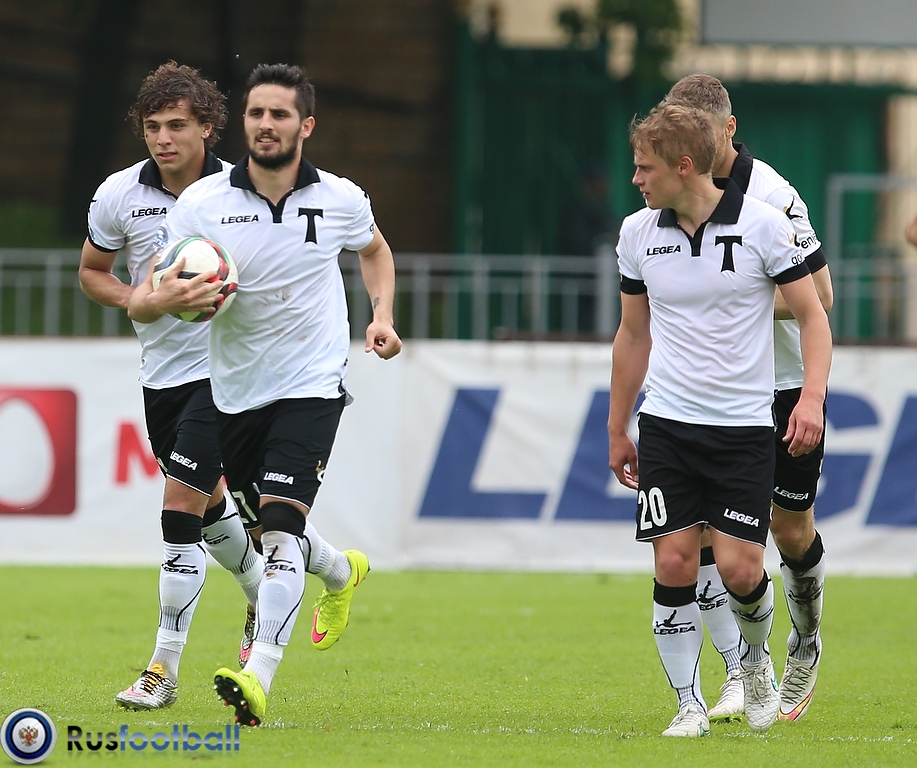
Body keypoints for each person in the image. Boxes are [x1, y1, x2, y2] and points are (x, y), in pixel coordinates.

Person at [145, 63, 402, 727]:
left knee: (280, 529)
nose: (266, 124)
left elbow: (375, 250)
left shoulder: (341, 196)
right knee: (271, 525)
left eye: (279, 114)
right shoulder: (202, 204)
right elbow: (152, 291)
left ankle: (257, 675)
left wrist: (381, 315)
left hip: (312, 384)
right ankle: (340, 571)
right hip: (233, 391)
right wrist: (167, 297)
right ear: (245, 121)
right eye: (256, 113)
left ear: (305, 125)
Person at [608, 104, 832, 736]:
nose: (636, 179)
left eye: (645, 168)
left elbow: (814, 315)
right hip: (667, 425)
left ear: (684, 166)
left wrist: (811, 398)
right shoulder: (636, 234)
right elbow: (632, 334)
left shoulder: (765, 223)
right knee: (675, 563)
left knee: (741, 571)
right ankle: (689, 705)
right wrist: (618, 426)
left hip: (743, 428)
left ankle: (755, 660)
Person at [78, 62, 263, 710]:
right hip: (162, 378)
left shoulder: (240, 197)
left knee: (179, 506)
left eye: (177, 125)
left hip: (226, 375)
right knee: (208, 507)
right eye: (153, 126)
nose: (163, 137)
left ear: (207, 127)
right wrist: (142, 300)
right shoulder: (119, 193)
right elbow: (92, 272)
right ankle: (267, 591)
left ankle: (162, 668)